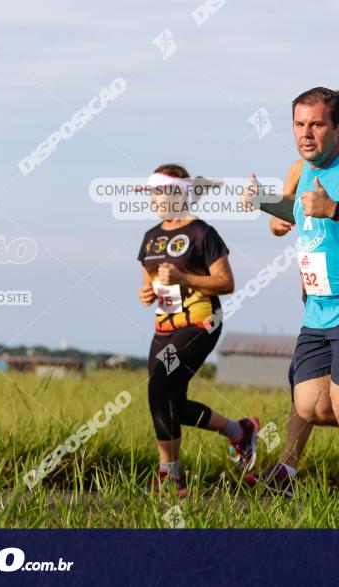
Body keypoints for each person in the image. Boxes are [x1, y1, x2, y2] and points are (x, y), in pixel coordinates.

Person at [137, 163, 259, 495]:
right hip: (164, 326)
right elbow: (149, 285)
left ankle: (171, 476)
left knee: (158, 387)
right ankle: (240, 430)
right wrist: (146, 293)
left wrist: (186, 278)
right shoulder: (150, 237)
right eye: (149, 193)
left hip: (202, 323)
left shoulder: (203, 233)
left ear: (179, 193)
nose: (152, 198)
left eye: (158, 191)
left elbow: (226, 282)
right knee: (169, 401)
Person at [245, 88, 339, 498]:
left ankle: (286, 472)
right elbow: (292, 212)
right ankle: (287, 470)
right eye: (300, 124)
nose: (306, 133)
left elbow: (322, 210)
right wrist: (267, 207)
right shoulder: (299, 169)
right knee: (312, 406)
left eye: (316, 124)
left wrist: (333, 210)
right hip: (315, 306)